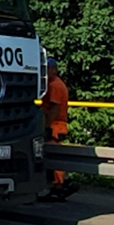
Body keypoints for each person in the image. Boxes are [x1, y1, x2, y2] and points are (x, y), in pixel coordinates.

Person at [41, 57, 74, 201]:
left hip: (55, 125)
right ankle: (62, 183)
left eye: (47, 69)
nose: (45, 73)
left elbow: (54, 108)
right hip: (57, 124)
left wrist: (47, 126)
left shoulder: (54, 85)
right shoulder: (56, 83)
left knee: (53, 157)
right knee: (56, 156)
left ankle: (59, 186)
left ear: (53, 69)